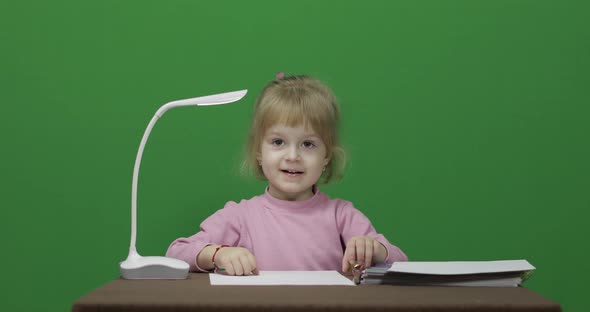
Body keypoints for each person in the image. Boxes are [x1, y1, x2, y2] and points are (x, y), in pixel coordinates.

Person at [166, 73, 407, 275]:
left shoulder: (341, 215)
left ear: (326, 157)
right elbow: (177, 252)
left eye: (308, 144)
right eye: (278, 142)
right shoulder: (240, 216)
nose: (292, 156)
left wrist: (375, 249)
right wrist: (218, 254)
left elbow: (401, 261)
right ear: (258, 151)